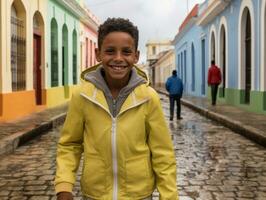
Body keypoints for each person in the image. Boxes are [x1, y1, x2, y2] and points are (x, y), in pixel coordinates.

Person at [55, 18, 178, 200]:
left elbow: (162, 152)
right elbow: (70, 144)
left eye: (126, 52)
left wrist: (169, 196)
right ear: (98, 54)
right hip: (95, 194)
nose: (118, 58)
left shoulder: (148, 97)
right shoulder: (82, 95)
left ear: (136, 56)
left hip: (139, 195)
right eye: (110, 51)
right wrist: (64, 185)